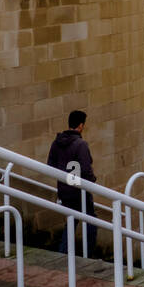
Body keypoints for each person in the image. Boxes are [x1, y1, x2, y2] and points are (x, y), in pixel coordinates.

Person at [47, 110, 98, 257]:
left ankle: (62, 253)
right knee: (91, 222)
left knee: (71, 221)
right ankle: (89, 255)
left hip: (64, 190)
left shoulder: (56, 143)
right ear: (81, 125)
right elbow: (86, 170)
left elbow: (50, 165)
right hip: (79, 190)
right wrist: (91, 181)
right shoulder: (80, 144)